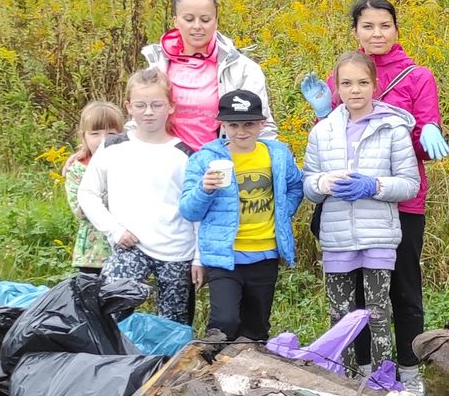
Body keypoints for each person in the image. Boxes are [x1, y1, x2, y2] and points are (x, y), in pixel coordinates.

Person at [298, 0, 448, 367]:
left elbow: (427, 146)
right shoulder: (347, 73)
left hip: (402, 202)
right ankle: (360, 367)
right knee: (358, 297)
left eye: (385, 25)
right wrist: (322, 113)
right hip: (349, 206)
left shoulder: (417, 76)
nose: (377, 33)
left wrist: (426, 131)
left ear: (396, 28)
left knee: (404, 291)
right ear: (355, 31)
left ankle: (408, 370)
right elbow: (336, 141)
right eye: (368, 25)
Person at [303, 52, 422, 377]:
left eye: (362, 82)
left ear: (375, 85)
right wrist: (322, 182)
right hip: (338, 237)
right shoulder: (322, 132)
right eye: (346, 83)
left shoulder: (393, 129)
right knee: (340, 312)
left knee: (378, 310)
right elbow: (309, 185)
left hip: (379, 236)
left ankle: (382, 379)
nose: (355, 90)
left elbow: (410, 184)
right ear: (336, 88)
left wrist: (375, 185)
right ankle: (341, 377)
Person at [180, 89, 304, 342]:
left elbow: (296, 186)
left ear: (261, 124)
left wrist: (283, 212)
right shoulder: (205, 159)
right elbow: (188, 210)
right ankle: (209, 370)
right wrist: (204, 190)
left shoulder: (277, 155)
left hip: (265, 253)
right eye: (233, 125)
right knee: (224, 322)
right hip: (224, 256)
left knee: (256, 328)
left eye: (249, 124)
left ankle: (247, 377)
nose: (241, 131)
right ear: (222, 125)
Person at [80, 69, 196, 323]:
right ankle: (109, 360)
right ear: (129, 107)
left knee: (174, 324)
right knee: (108, 313)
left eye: (157, 105)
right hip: (129, 246)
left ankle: (168, 362)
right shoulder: (113, 147)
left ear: (171, 107)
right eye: (141, 105)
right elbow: (88, 193)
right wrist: (114, 229)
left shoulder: (185, 154)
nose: (149, 112)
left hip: (177, 250)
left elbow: (196, 209)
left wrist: (199, 256)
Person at [138, 0, 275, 150]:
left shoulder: (243, 69)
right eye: (188, 19)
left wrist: (274, 164)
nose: (197, 26)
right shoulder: (157, 66)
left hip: (220, 165)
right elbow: (139, 117)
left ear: (216, 21)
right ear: (175, 21)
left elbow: (263, 125)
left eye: (205, 19)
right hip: (167, 165)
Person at [63, 100, 124, 276]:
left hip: (125, 251)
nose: (103, 140)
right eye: (95, 133)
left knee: (122, 299)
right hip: (91, 254)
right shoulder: (77, 169)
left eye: (111, 133)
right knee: (90, 300)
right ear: (84, 137)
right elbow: (80, 211)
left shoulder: (128, 164)